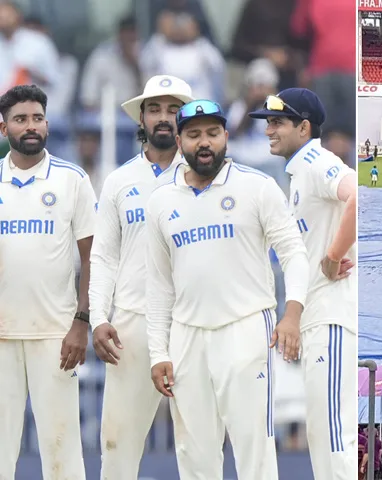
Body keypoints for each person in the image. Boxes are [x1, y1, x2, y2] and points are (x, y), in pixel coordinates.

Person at [145, 99, 310, 480]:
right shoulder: (161, 202)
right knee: (194, 454)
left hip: (246, 329)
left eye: (213, 133)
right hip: (187, 337)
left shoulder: (257, 187)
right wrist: (158, 352)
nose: (205, 143)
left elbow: (294, 254)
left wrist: (293, 313)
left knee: (254, 450)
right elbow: (159, 285)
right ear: (181, 141)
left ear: (226, 137)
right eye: (195, 135)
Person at [88, 75, 194, 480]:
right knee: (117, 448)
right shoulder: (119, 181)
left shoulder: (208, 176)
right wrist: (99, 318)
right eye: (155, 109)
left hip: (191, 322)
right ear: (142, 118)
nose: (164, 118)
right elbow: (103, 257)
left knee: (196, 446)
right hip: (130, 322)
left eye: (172, 110)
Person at [250, 88, 358, 480]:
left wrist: (332, 256)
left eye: (277, 122)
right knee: (323, 435)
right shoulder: (299, 172)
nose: (269, 131)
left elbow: (357, 198)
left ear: (304, 127)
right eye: (268, 123)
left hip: (331, 316)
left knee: (333, 438)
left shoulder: (316, 161)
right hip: (319, 317)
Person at [0, 84, 97, 479]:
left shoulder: (72, 179)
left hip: (56, 335)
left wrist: (81, 322)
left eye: (37, 118)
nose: (30, 126)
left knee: (61, 452)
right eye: (20, 119)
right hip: (1, 334)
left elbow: (94, 257)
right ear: (3, 127)